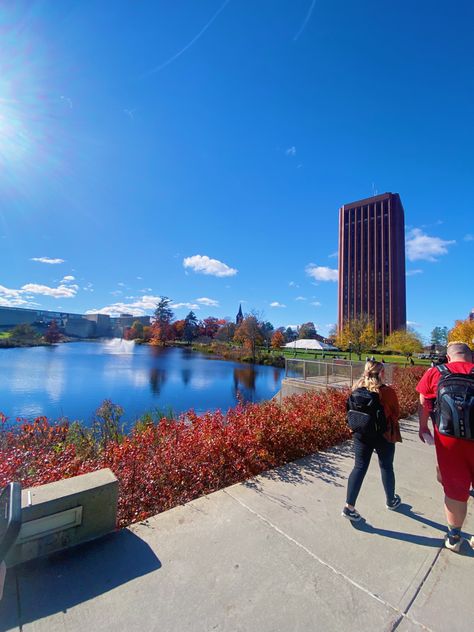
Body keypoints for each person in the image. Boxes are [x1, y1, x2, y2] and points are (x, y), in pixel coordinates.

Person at [417, 341, 474, 552]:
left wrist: (423, 428)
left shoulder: (435, 372)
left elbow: (424, 403)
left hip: (449, 441)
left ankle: (454, 537)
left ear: (448, 358)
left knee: (455, 491)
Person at [342, 360, 402, 521]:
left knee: (359, 467)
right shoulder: (387, 392)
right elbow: (396, 413)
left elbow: (348, 409)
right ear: (381, 373)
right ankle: (391, 500)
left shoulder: (356, 388)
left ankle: (349, 507)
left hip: (361, 434)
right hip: (384, 435)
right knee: (386, 467)